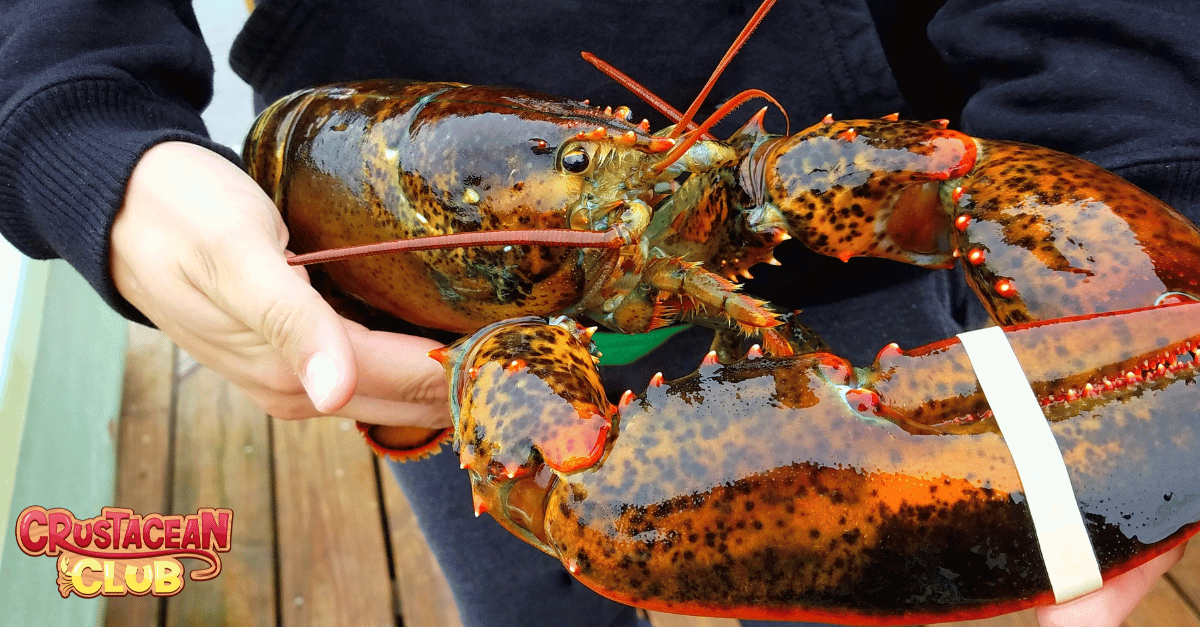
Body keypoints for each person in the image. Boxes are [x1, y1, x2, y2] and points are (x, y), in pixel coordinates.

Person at [1, 1, 1195, 626]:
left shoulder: (673, 180)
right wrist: (79, 125)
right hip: (454, 346)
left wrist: (1145, 172)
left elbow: (940, 169)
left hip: (813, 281)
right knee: (525, 599)